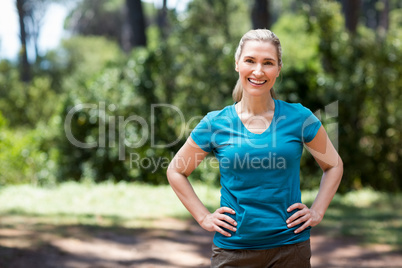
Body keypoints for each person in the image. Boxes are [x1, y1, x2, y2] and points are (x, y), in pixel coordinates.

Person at [167, 29, 343, 268]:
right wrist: (203, 217)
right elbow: (176, 171)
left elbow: (333, 165)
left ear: (278, 69)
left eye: (268, 63)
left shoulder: (299, 117)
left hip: (290, 249)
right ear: (237, 64)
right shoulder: (215, 123)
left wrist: (317, 212)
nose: (258, 71)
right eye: (250, 60)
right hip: (233, 251)